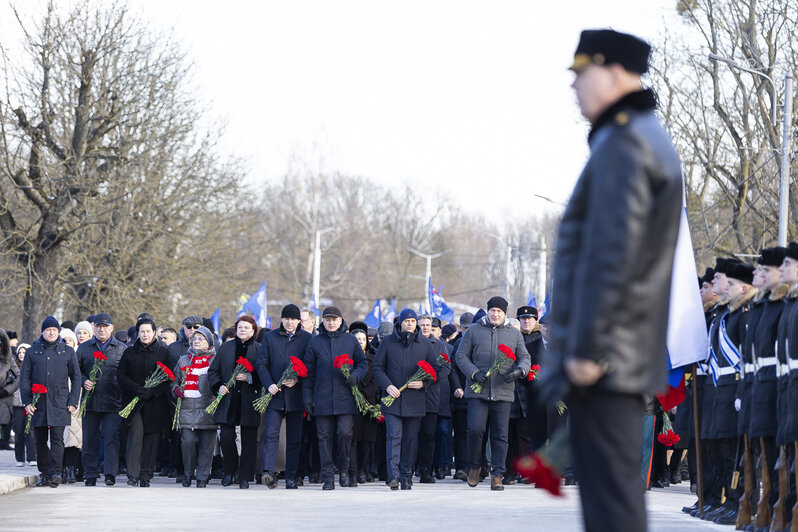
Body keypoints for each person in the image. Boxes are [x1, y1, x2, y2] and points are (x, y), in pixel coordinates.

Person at [542, 29, 683, 532]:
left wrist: (589, 348)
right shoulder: (633, 136)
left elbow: (612, 256)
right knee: (612, 503)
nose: (574, 85)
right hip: (620, 355)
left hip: (608, 358)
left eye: (583, 73)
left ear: (615, 71)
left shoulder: (626, 142)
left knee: (613, 507)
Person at [455, 296, 531, 491]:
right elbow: (461, 356)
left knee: (500, 435)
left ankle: (497, 474)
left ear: (505, 313)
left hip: (503, 392)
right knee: (475, 429)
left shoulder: (514, 334)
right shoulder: (474, 330)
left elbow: (524, 357)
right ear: (488, 311)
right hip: (477, 390)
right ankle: (474, 466)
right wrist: (473, 373)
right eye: (492, 311)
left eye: (499, 311)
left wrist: (519, 371)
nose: (495, 314)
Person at [302, 306, 367, 490]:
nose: (331, 322)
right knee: (323, 438)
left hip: (345, 397)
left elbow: (362, 363)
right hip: (322, 398)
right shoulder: (315, 342)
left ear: (340, 321)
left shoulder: (350, 340)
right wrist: (307, 397)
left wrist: (356, 375)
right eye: (327, 319)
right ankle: (328, 476)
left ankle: (344, 470)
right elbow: (308, 372)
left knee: (345, 433)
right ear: (322, 321)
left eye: (334, 319)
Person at [373, 308, 438, 490]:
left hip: (415, 400)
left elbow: (434, 371)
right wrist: (387, 385)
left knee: (410, 440)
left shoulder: (424, 344)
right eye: (406, 321)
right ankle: (393, 476)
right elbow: (378, 367)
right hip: (392, 399)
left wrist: (423, 384)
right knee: (393, 437)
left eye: (412, 321)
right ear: (400, 322)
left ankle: (406, 475)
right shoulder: (387, 342)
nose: (410, 324)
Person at [20, 316, 81, 487]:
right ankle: (44, 473)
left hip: (60, 401)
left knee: (57, 438)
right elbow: (24, 378)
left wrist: (73, 400)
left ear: (58, 332)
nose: (51, 332)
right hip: (37, 402)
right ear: (43, 332)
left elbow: (76, 378)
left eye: (54, 330)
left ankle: (56, 472)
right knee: (39, 440)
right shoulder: (33, 351)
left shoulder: (67, 351)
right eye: (48, 330)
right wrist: (27, 402)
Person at [257, 304, 312, 489]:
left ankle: (291, 475)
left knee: (294, 438)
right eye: (286, 318)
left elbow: (310, 365)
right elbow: (262, 364)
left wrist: (298, 379)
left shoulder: (307, 339)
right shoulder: (271, 337)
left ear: (299, 321)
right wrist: (270, 383)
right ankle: (268, 472)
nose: (290, 322)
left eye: (293, 319)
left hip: (296, 396)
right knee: (271, 435)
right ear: (281, 319)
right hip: (275, 395)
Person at [116, 318, 172, 487]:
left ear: (154, 332)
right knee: (136, 435)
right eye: (142, 331)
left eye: (148, 331)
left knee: (151, 438)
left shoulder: (163, 352)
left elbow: (168, 378)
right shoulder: (129, 352)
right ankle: (133, 474)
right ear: (137, 333)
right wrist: (137, 389)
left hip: (155, 403)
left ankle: (146, 474)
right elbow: (121, 375)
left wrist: (153, 392)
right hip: (134, 401)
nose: (145, 334)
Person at [208, 315, 261, 489]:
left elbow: (265, 372)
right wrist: (219, 386)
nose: (242, 330)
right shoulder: (226, 348)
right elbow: (213, 371)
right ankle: (229, 472)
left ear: (253, 331)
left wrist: (250, 377)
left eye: (247, 327)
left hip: (249, 399)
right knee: (226, 437)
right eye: (240, 327)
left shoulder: (259, 349)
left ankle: (245, 476)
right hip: (228, 399)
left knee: (249, 439)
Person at [76, 312, 127, 487]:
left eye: (105, 327)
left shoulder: (121, 348)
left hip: (114, 401)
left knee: (111, 438)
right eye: (98, 327)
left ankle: (110, 473)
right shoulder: (83, 348)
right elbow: (76, 372)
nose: (102, 330)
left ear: (111, 328)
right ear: (94, 328)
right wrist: (84, 381)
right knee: (90, 438)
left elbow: (126, 373)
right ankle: (90, 473)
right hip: (90, 401)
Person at [171, 325, 218, 487]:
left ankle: (202, 477)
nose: (197, 341)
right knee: (187, 442)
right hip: (187, 408)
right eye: (195, 338)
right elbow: (174, 380)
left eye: (201, 338)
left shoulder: (215, 360)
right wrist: (175, 389)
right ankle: (188, 473)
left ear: (209, 343)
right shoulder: (184, 359)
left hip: (208, 407)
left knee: (207, 446)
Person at [416, 315, 451, 484]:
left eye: (428, 325)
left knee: (429, 435)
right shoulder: (411, 343)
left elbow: (446, 368)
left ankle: (426, 470)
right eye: (422, 325)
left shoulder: (440, 346)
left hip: (431, 396)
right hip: (411, 397)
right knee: (411, 435)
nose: (425, 328)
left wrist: (429, 378)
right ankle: (408, 468)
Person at [348, 321, 379, 484]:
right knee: (352, 439)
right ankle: (352, 470)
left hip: (369, 402)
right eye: (357, 339)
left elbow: (376, 380)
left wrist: (365, 393)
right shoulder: (348, 358)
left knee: (367, 439)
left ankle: (362, 469)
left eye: (362, 339)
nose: (360, 341)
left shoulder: (373, 357)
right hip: (351, 402)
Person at [60, 327, 83, 484]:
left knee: (74, 437)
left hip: (75, 399)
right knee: (59, 437)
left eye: (70, 340)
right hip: (58, 400)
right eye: (64, 340)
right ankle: (60, 469)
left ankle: (71, 469)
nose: (67, 343)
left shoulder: (77, 356)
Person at [11, 343, 35, 466]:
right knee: (19, 430)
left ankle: (32, 457)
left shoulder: (32, 367)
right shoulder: (13, 368)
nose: (21, 355)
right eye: (20, 353)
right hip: (16, 404)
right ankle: (20, 459)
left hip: (30, 403)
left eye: (24, 353)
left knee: (30, 430)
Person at [0, 329, 20, 458]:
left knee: (5, 421)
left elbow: (19, 377)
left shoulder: (8, 361)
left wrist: (6, 390)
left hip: (4, 396)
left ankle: (4, 441)